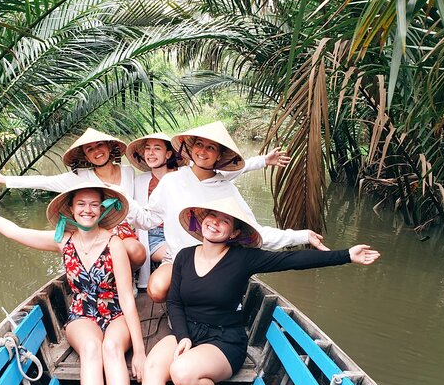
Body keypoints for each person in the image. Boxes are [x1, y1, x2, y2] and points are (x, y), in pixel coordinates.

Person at [139, 197, 380, 385]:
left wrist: (346, 255)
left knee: (182, 372)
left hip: (224, 340)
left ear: (234, 233)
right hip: (188, 333)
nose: (215, 223)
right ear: (202, 220)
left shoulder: (244, 258)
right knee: (152, 368)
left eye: (225, 221)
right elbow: (175, 303)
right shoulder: (183, 256)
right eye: (211, 216)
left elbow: (293, 261)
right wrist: (183, 337)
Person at [0, 181, 145, 385]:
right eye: (81, 204)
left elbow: (126, 297)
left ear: (102, 210)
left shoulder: (114, 243)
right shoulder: (63, 241)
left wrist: (139, 352)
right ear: (72, 209)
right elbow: (14, 231)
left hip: (115, 313)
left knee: (112, 348)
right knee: (92, 349)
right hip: (82, 315)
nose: (88, 210)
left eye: (94, 204)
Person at [126, 121, 328, 303]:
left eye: (211, 147)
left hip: (214, 261)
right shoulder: (171, 181)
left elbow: (255, 232)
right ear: (190, 147)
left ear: (219, 155)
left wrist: (303, 235)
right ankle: (182, 302)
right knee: (156, 290)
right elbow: (147, 219)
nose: (203, 151)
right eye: (199, 144)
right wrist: (123, 201)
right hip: (178, 258)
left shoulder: (227, 189)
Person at [0, 128, 146, 271]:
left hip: (124, 229)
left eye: (99, 145)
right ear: (86, 157)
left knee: (137, 252)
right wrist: (5, 180)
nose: (97, 151)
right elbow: (45, 181)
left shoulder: (127, 171)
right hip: (95, 230)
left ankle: (124, 275)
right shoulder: (79, 177)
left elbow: (137, 204)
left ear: (109, 146)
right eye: (90, 149)